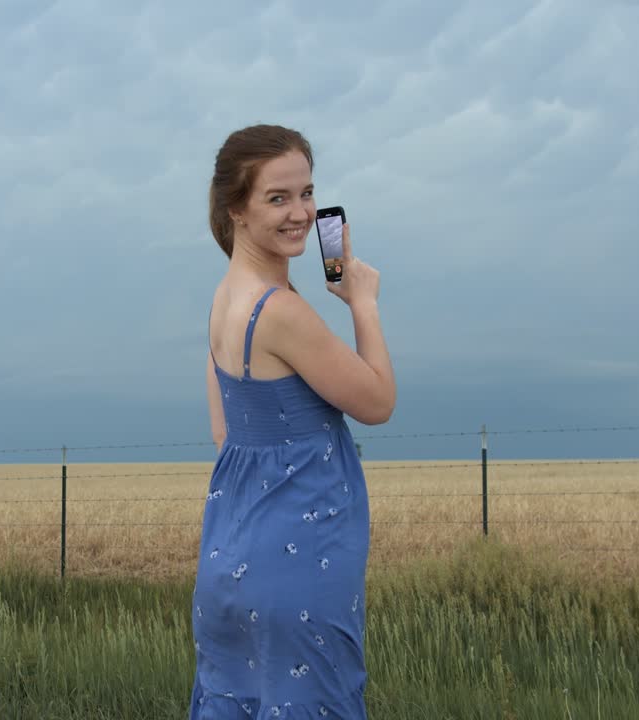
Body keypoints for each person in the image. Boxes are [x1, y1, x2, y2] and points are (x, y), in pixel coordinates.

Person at [189, 124, 395, 719]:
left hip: (229, 566)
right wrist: (363, 303)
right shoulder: (280, 313)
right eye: (277, 198)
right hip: (298, 574)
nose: (301, 212)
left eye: (307, 193)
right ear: (237, 210)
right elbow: (377, 402)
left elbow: (225, 434)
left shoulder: (225, 299)